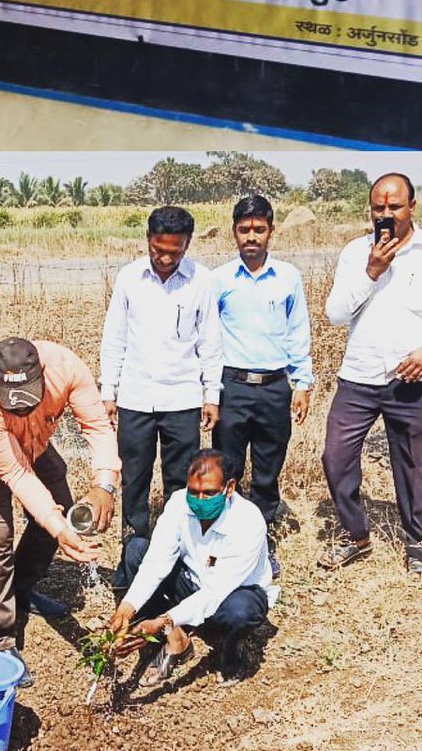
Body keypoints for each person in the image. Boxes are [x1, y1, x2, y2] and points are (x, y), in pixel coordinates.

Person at [0, 336, 117, 681]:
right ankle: (0, 640)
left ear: (43, 376)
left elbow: (97, 426)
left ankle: (20, 590)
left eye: (29, 402)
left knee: (62, 507)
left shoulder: (66, 368)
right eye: (13, 405)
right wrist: (58, 528)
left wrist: (104, 486)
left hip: (31, 442)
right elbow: (17, 473)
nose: (21, 409)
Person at [100, 205, 223, 543]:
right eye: (158, 250)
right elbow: (115, 337)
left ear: (188, 244)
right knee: (135, 478)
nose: (165, 259)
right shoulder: (129, 278)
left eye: (174, 251)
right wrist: (108, 392)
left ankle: (177, 544)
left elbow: (211, 341)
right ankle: (134, 545)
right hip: (136, 399)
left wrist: (211, 395)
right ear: (148, 240)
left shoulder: (202, 280)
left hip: (181, 398)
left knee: (179, 480)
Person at [320, 172, 422, 574]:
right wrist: (371, 271)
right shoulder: (354, 253)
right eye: (378, 206)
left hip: (409, 380)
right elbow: (335, 314)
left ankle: (417, 541)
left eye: (394, 206)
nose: (385, 214)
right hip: (358, 376)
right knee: (336, 457)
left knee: (414, 464)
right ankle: (356, 535)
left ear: (411, 207)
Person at [110, 449, 275, 685]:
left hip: (232, 594)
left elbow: (216, 591)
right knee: (137, 550)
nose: (199, 501)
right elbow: (156, 561)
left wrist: (162, 620)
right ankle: (175, 638)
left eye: (208, 493)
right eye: (193, 492)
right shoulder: (178, 504)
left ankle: (230, 652)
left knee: (240, 611)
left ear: (229, 488)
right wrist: (128, 607)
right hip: (192, 583)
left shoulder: (248, 521)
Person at [211, 195, 312, 579]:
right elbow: (207, 336)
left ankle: (262, 538)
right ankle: (226, 537)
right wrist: (210, 391)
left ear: (271, 231)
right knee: (229, 464)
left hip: (274, 388)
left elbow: (298, 331)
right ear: (234, 232)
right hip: (233, 386)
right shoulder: (219, 279)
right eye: (244, 229)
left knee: (269, 468)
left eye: (259, 229)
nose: (251, 236)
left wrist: (302, 383)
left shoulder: (288, 277)